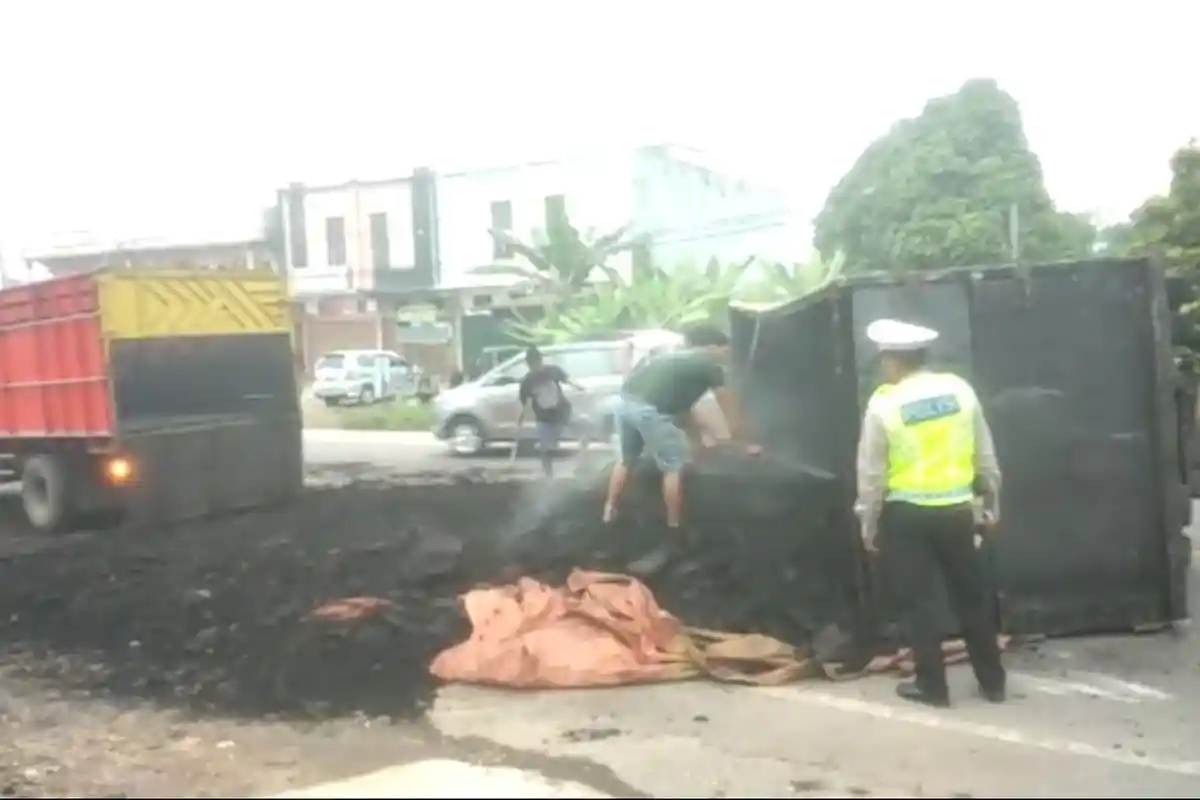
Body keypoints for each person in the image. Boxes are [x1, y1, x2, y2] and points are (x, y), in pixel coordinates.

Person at [855, 318, 1006, 708]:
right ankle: (993, 683)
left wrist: (867, 522)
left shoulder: (885, 403)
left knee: (919, 604)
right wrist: (992, 506)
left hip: (906, 516)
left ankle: (933, 687)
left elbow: (872, 473)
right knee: (972, 597)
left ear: (891, 360)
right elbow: (984, 456)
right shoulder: (960, 391)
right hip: (958, 510)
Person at [602, 324, 760, 528]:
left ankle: (609, 509)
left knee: (626, 460)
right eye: (725, 350)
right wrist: (746, 443)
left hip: (624, 403)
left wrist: (699, 446)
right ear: (712, 347)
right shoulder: (711, 367)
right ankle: (674, 523)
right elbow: (730, 409)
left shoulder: (672, 358)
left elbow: (685, 411)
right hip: (650, 411)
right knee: (673, 466)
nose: (726, 355)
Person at [512, 346, 583, 478]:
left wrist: (577, 386)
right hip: (544, 418)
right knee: (545, 450)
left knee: (585, 432)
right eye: (532, 363)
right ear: (528, 364)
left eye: (537, 362)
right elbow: (524, 404)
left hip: (563, 411)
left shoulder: (552, 371)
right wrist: (520, 420)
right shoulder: (527, 381)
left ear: (541, 360)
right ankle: (548, 477)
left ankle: (580, 464)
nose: (535, 365)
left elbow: (567, 378)